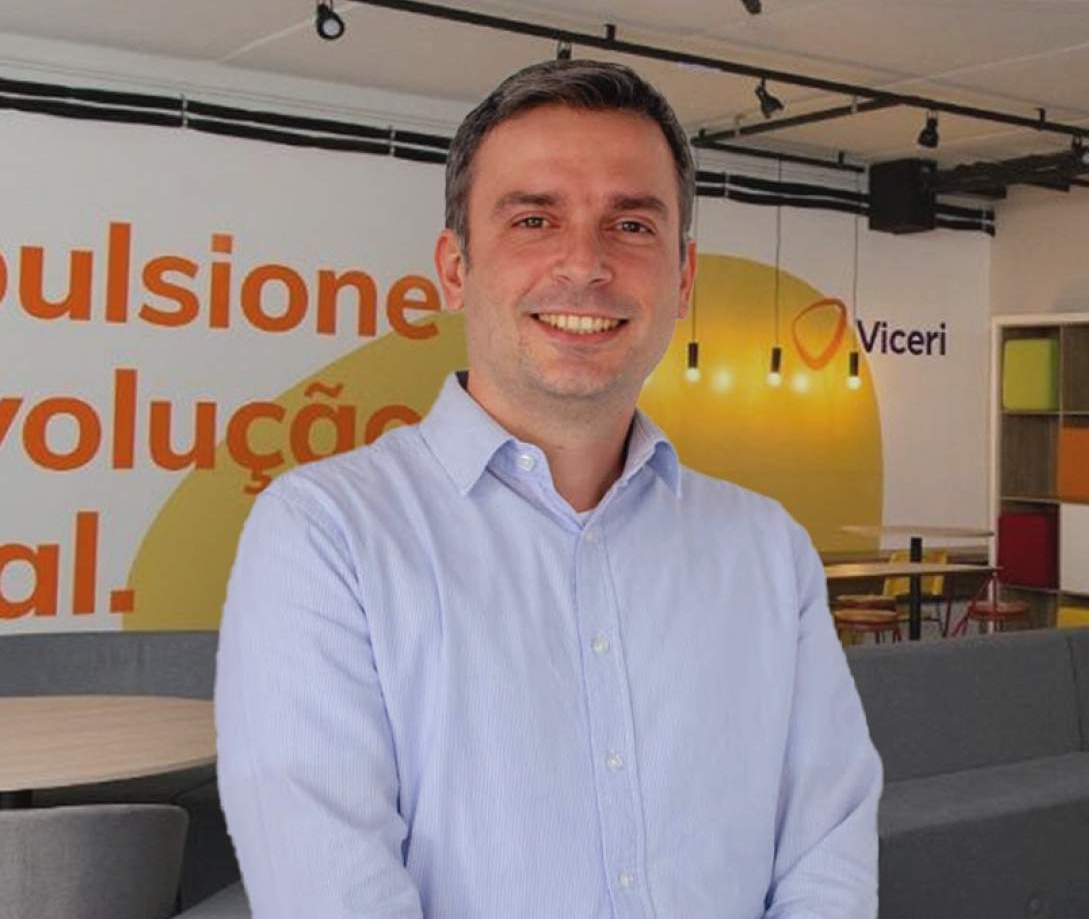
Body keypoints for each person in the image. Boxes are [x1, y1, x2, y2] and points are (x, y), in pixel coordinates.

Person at [216, 59, 882, 919]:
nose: (585, 263)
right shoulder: (325, 536)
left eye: (631, 225)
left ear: (683, 279)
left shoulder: (767, 550)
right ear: (455, 268)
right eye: (534, 219)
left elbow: (827, 854)